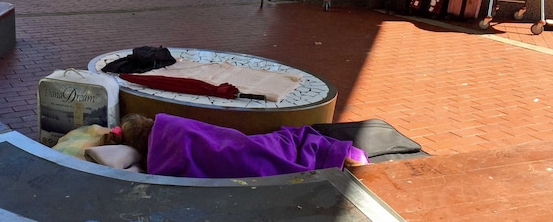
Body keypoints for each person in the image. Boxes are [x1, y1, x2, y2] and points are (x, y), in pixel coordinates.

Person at [101, 113, 368, 178]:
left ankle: (334, 157)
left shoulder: (161, 144)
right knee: (272, 150)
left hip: (232, 147)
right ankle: (334, 156)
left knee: (263, 148)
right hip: (238, 150)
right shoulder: (168, 131)